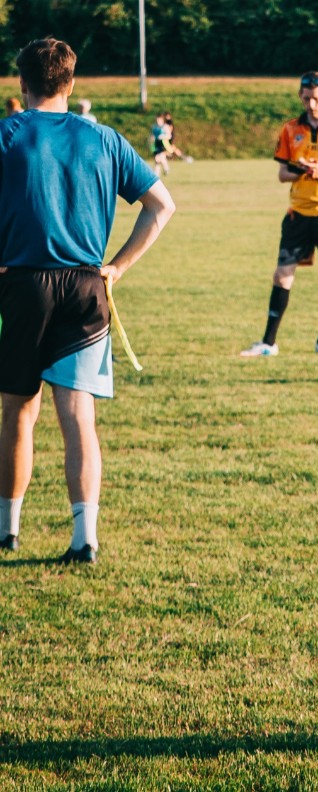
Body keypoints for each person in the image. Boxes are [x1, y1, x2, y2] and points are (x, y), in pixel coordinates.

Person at [0, 38, 175, 564]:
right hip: (85, 286)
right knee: (77, 416)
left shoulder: (7, 134)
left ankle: (7, 530)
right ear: (71, 85)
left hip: (24, 284)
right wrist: (117, 266)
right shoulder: (105, 138)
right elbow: (161, 205)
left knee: (17, 411)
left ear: (21, 84)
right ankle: (85, 540)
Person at [240, 72, 318, 359]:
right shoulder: (291, 129)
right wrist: (301, 169)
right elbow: (282, 173)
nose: (311, 103)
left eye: (316, 97)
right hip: (298, 212)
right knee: (282, 274)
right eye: (306, 98)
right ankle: (269, 341)